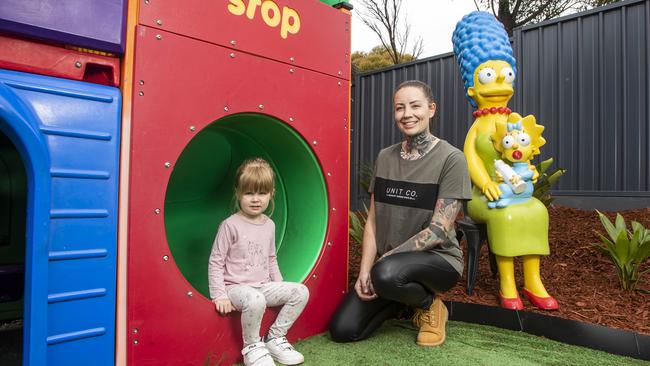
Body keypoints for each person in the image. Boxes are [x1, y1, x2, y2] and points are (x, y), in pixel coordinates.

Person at [329, 80, 472, 346]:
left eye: (415, 106)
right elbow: (372, 221)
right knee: (343, 329)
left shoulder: (451, 159)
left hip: (438, 260)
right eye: (399, 108)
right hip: (390, 269)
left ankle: (430, 306)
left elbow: (438, 232)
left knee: (385, 274)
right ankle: (403, 300)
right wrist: (365, 271)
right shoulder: (385, 157)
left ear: (431, 109)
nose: (407, 114)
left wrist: (379, 267)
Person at [208, 158, 309, 366]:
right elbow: (216, 261)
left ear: (271, 194)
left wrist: (278, 283)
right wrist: (219, 294)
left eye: (262, 193)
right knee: (255, 299)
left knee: (301, 291)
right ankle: (252, 347)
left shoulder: (269, 225)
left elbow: (271, 258)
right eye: (249, 193)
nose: (256, 199)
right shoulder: (230, 225)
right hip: (236, 289)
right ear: (237, 193)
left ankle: (274, 338)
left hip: (262, 286)